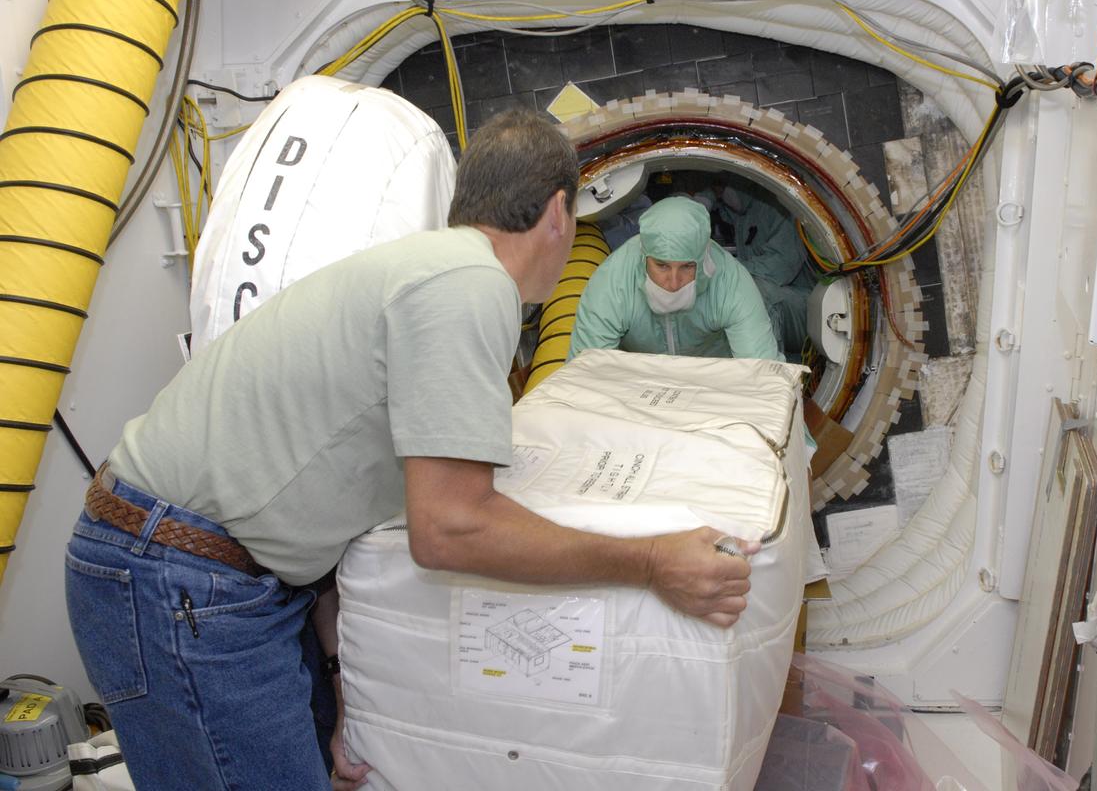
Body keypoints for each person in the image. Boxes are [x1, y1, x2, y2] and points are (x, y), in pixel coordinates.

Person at [64, 110, 759, 791]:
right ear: (557, 212)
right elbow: (450, 528)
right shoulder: (468, 286)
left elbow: (338, 511)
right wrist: (651, 560)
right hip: (177, 575)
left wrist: (344, 700)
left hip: (221, 576)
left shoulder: (433, 270)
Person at [569, 195, 784, 361]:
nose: (673, 283)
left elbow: (763, 373)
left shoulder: (729, 282)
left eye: (687, 266)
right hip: (640, 389)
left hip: (715, 387)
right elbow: (585, 376)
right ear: (643, 257)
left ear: (703, 259)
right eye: (661, 265)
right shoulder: (614, 282)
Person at [703, 183, 814, 355]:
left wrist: (726, 270)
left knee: (754, 291)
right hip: (783, 298)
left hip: (808, 308)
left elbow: (780, 269)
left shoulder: (779, 208)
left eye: (720, 184)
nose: (719, 190)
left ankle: (765, 371)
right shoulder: (740, 213)